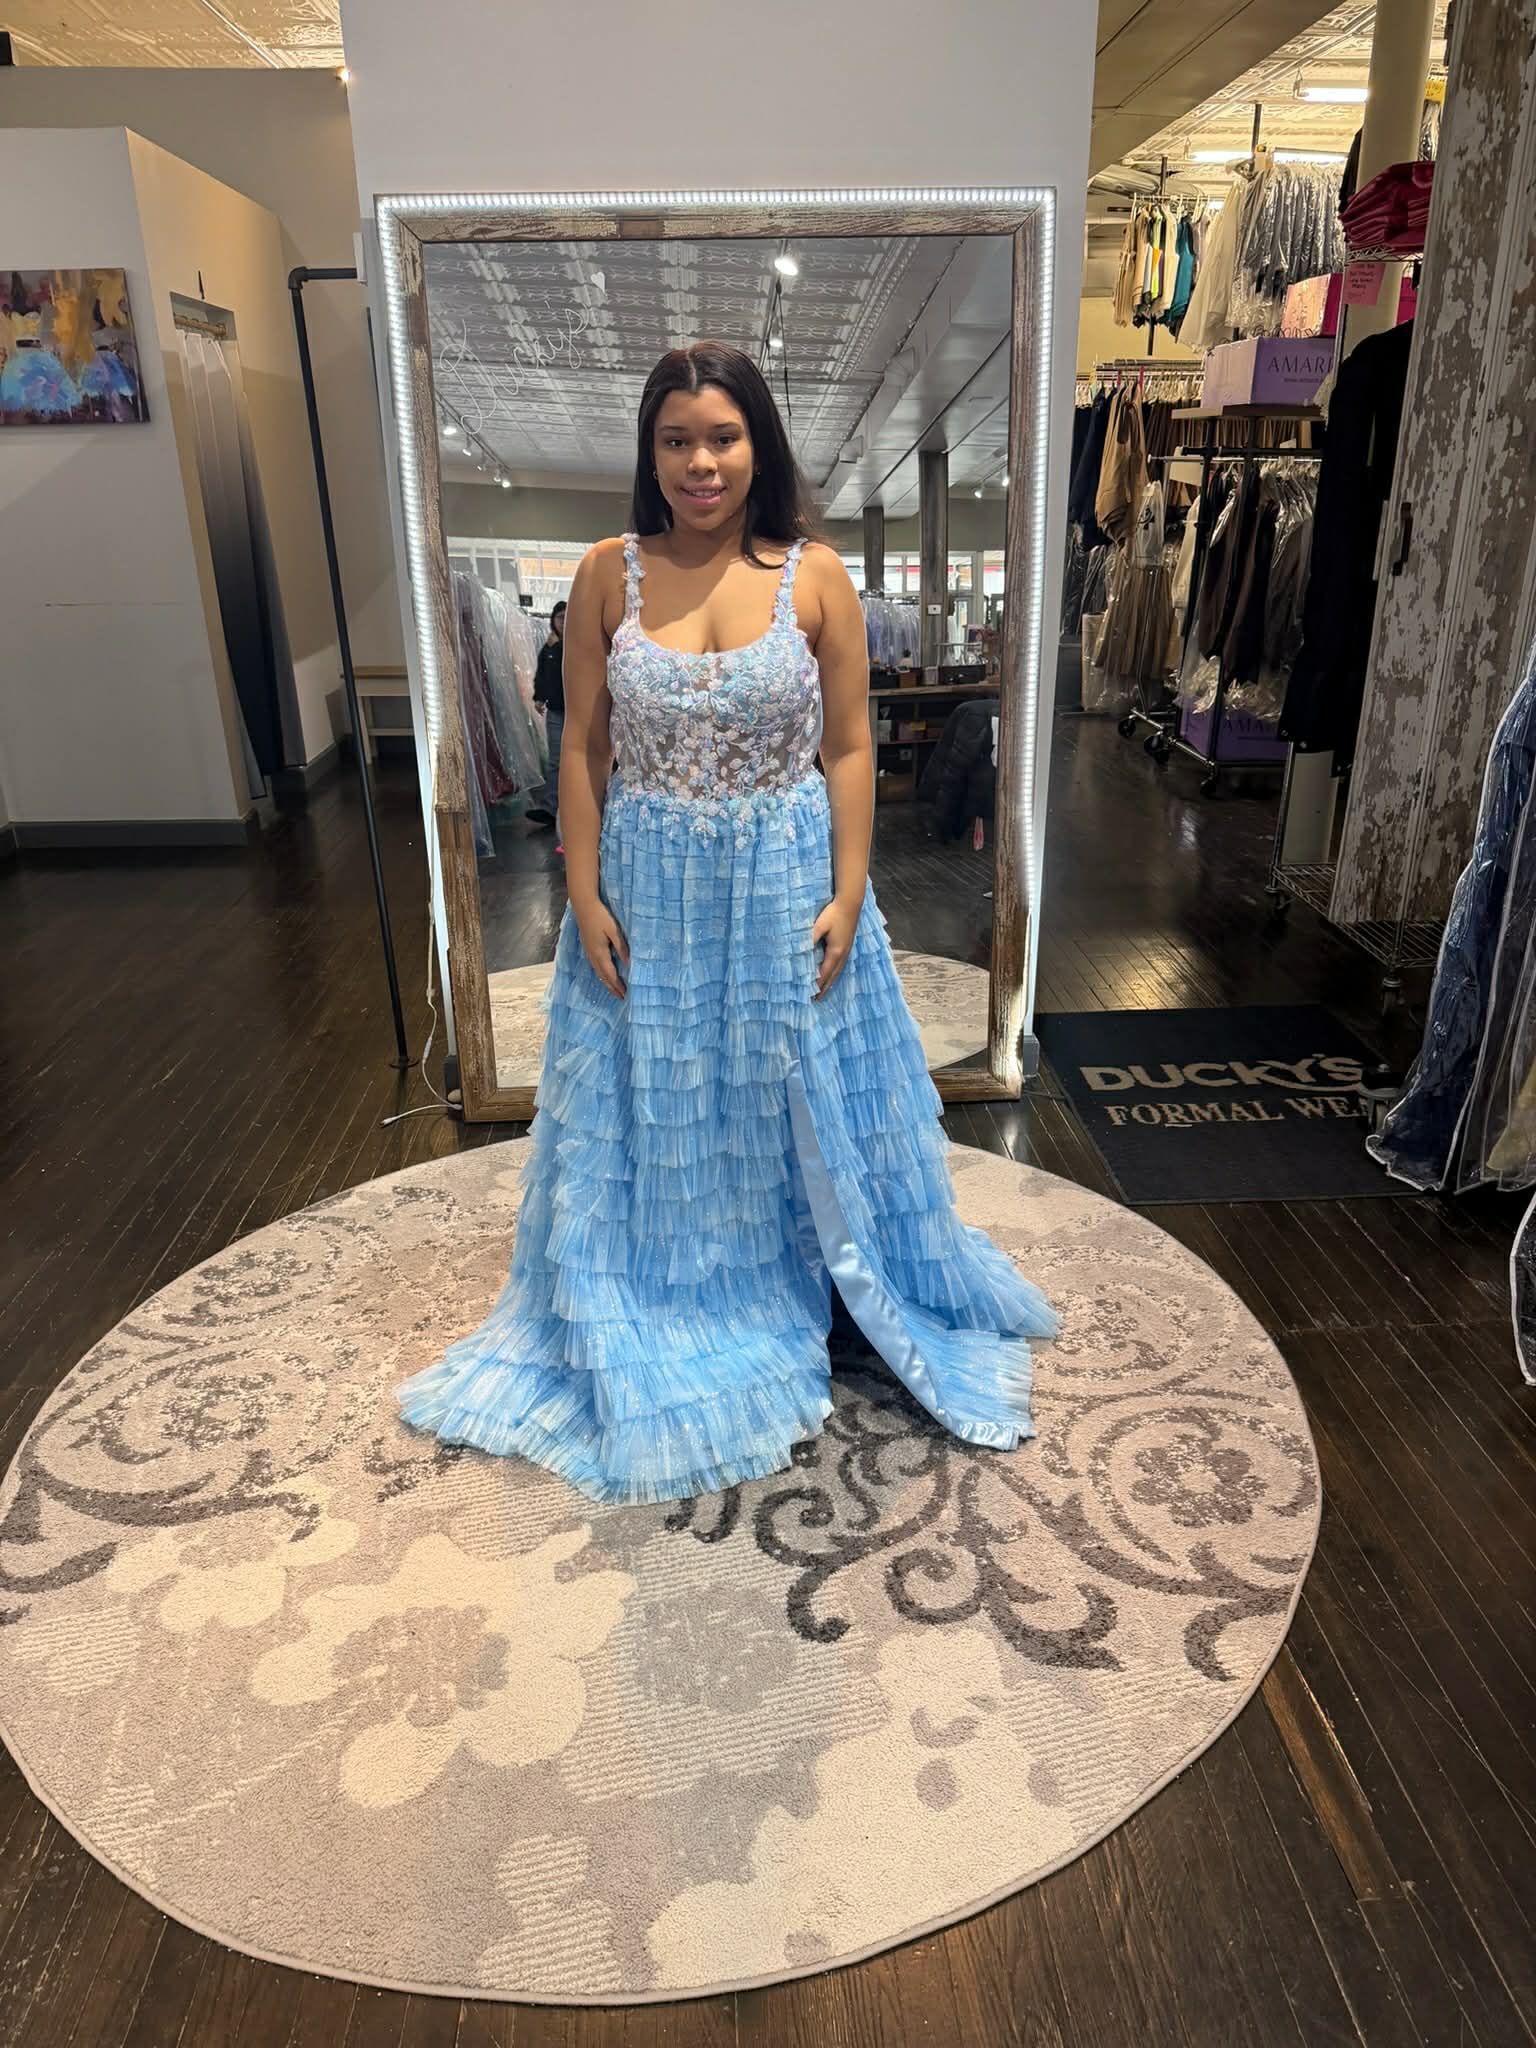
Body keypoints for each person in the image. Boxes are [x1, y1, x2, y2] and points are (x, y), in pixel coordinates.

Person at [395, 341, 1057, 1504]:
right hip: (649, 883)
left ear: (759, 445)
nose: (700, 462)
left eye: (723, 437)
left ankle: (822, 1277)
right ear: (650, 454)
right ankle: (666, 1293)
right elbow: (585, 747)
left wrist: (851, 891)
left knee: (785, 1085)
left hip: (785, 875)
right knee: (656, 1096)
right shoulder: (610, 572)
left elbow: (850, 747)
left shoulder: (817, 576)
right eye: (676, 440)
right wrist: (584, 888)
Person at [526, 601, 565, 831]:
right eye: (560, 617)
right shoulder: (549, 647)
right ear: (553, 620)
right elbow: (542, 674)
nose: (564, 622)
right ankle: (551, 808)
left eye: (568, 617)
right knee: (555, 762)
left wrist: (559, 646)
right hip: (557, 711)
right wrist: (539, 697)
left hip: (579, 713)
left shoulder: (577, 643)